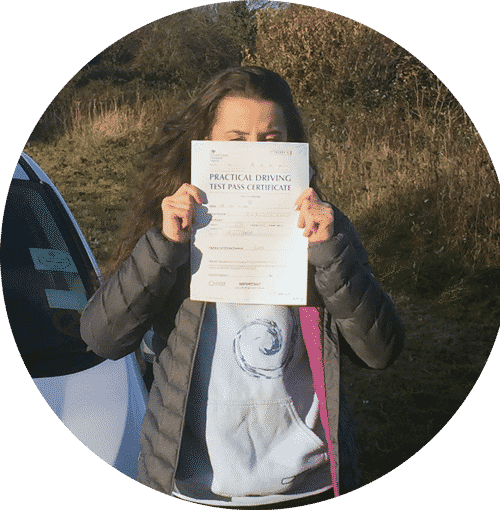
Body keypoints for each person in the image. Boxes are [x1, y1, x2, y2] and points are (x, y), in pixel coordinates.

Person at [80, 66, 404, 507]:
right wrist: (164, 247)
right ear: (206, 144)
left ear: (292, 145)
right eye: (236, 139)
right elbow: (101, 337)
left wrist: (330, 254)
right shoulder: (174, 227)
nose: (255, 155)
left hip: (309, 486)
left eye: (271, 139)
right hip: (193, 488)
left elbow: (380, 351)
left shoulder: (324, 229)